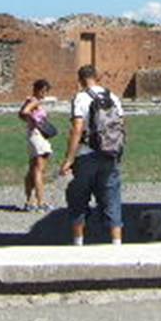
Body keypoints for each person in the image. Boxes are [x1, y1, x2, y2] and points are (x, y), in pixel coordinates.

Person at [59, 65, 124, 245]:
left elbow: (77, 129)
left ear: (80, 80)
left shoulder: (81, 98)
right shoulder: (113, 97)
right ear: (98, 77)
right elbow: (121, 125)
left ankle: (78, 242)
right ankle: (117, 244)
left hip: (86, 155)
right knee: (112, 199)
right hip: (110, 154)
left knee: (78, 199)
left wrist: (69, 159)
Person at [18, 78, 54, 211]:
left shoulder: (29, 100)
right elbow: (24, 112)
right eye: (43, 91)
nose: (44, 94)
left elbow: (21, 114)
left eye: (46, 91)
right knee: (39, 170)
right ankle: (41, 202)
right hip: (38, 136)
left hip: (33, 135)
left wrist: (30, 120)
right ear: (37, 90)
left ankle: (29, 201)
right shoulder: (34, 101)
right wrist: (35, 120)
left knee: (32, 169)